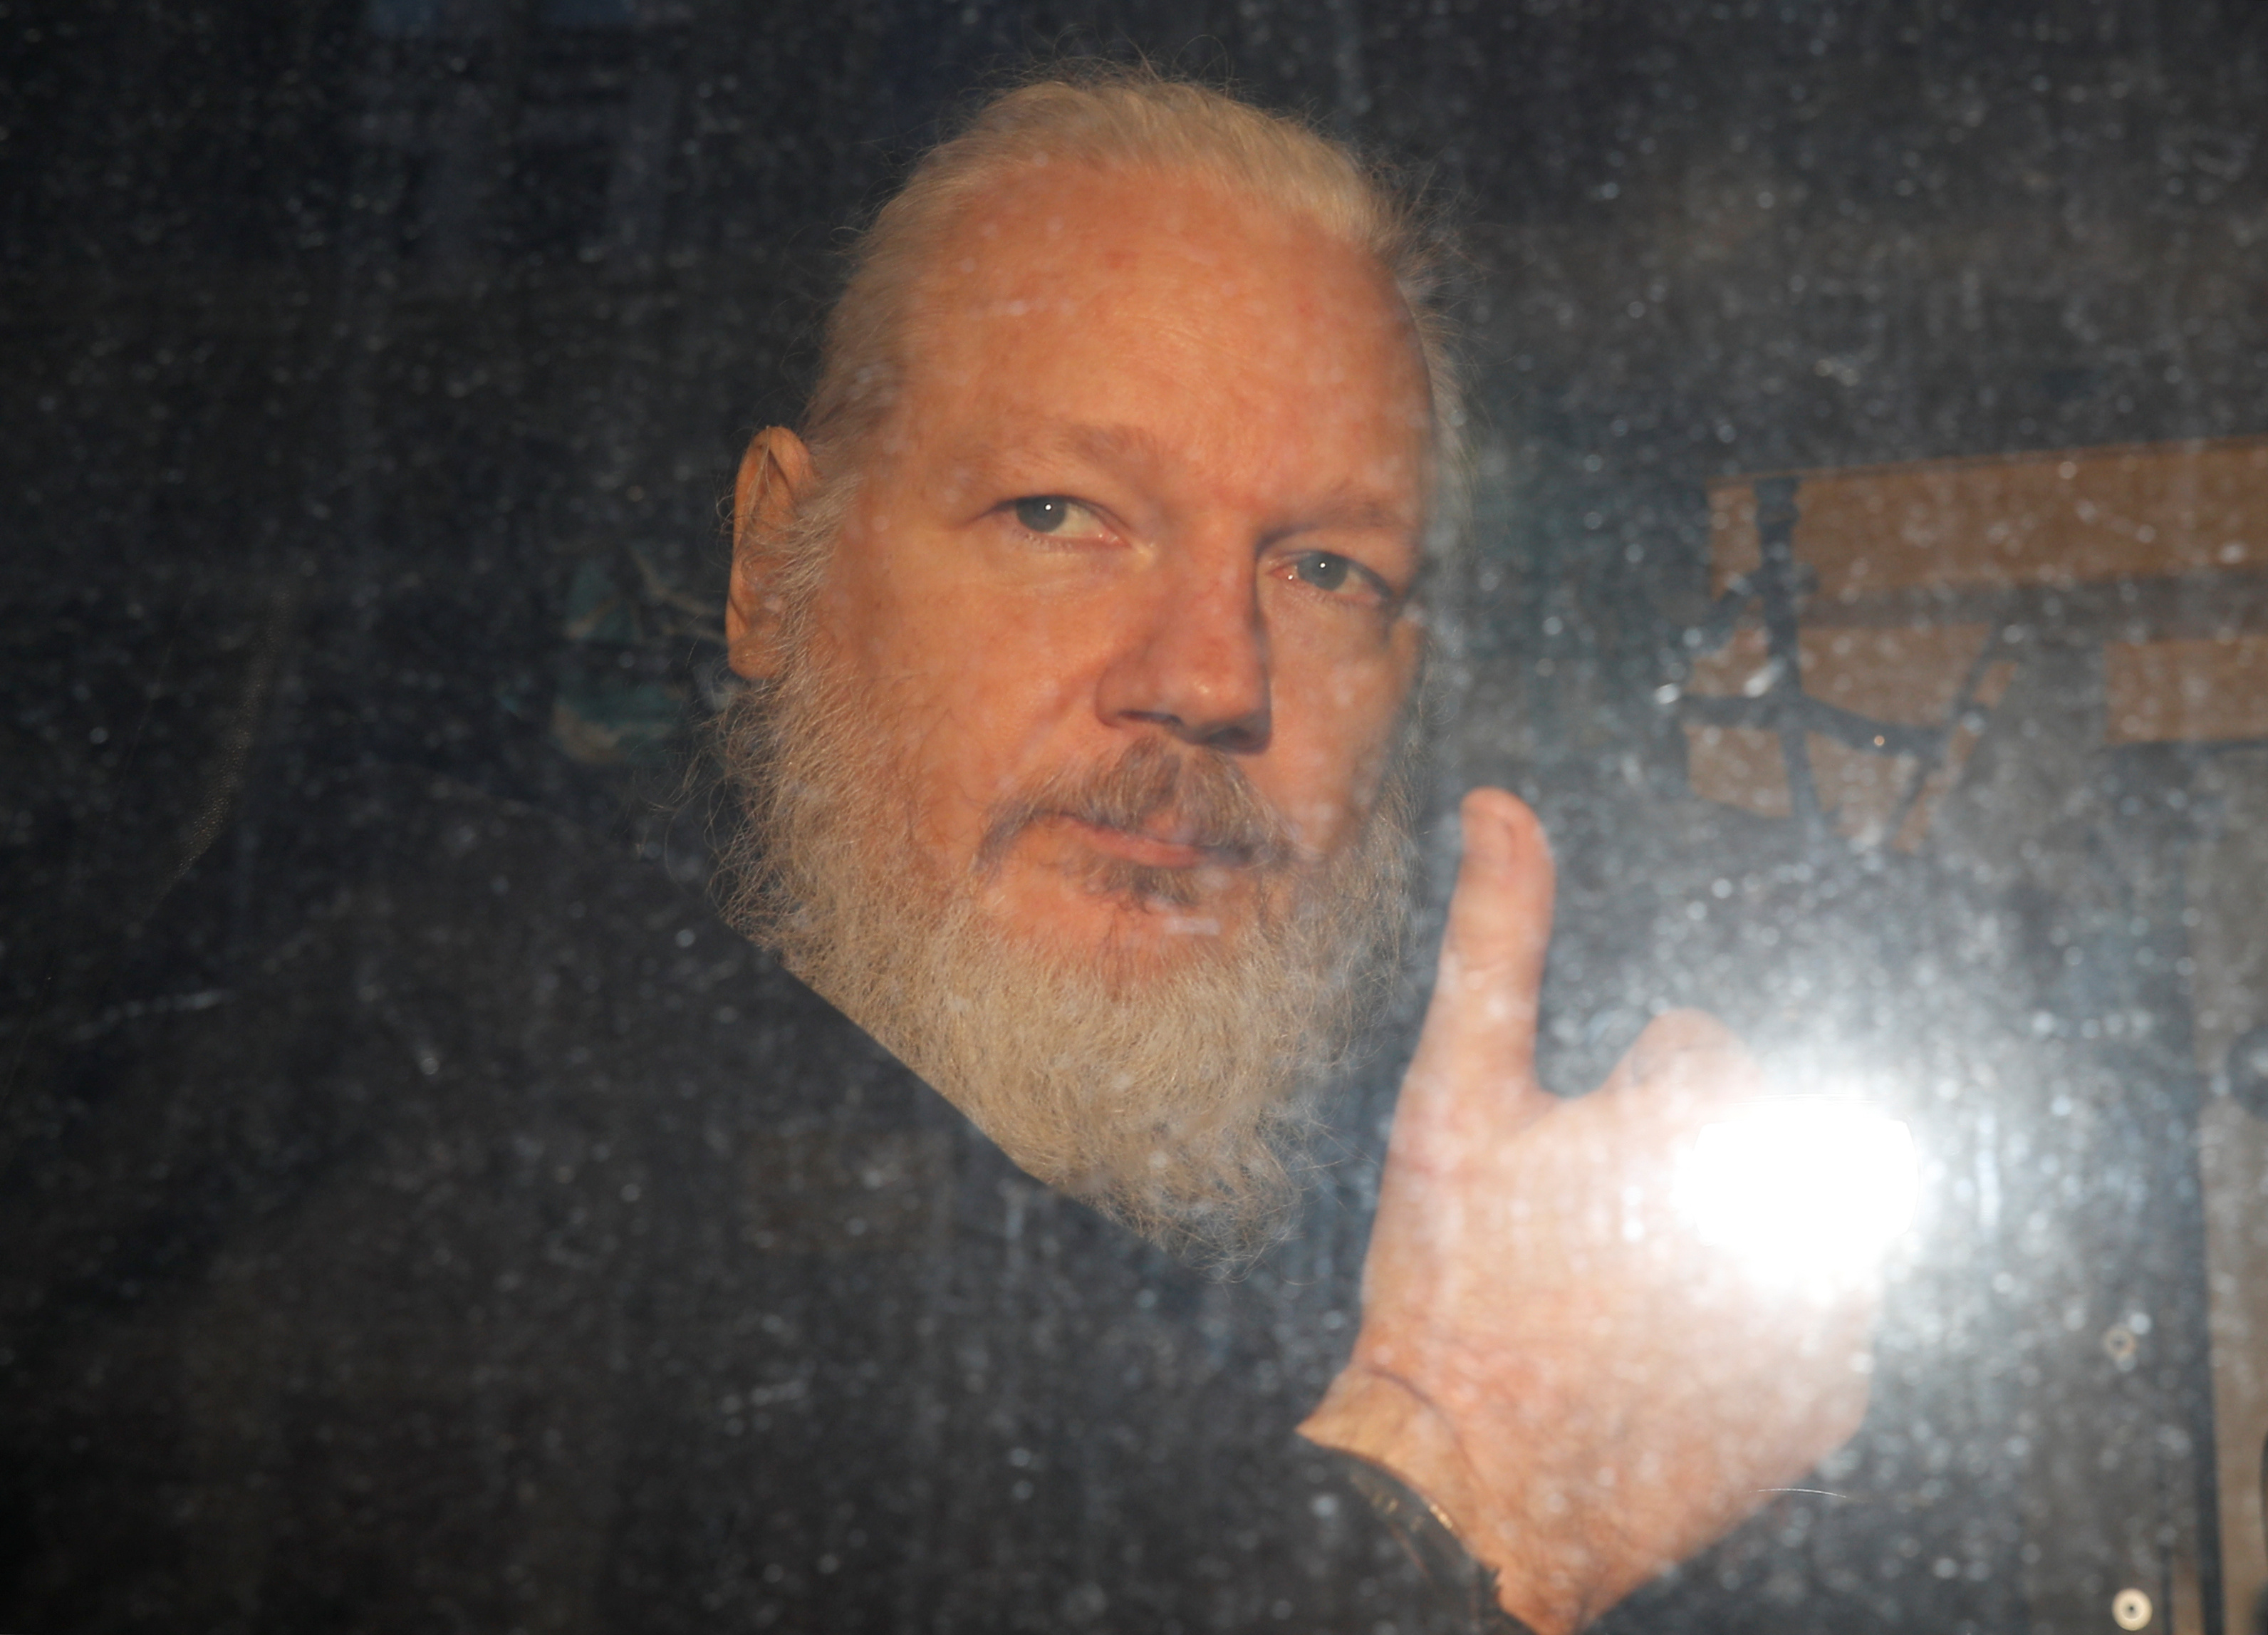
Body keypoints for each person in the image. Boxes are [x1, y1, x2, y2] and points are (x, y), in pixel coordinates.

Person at [710, 65, 1876, 1634]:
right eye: (1058, 514)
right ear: (773, 561)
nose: (1210, 677)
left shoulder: (1551, 1311)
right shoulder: (465, 1217)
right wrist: (1460, 1480)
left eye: (1326, 571)